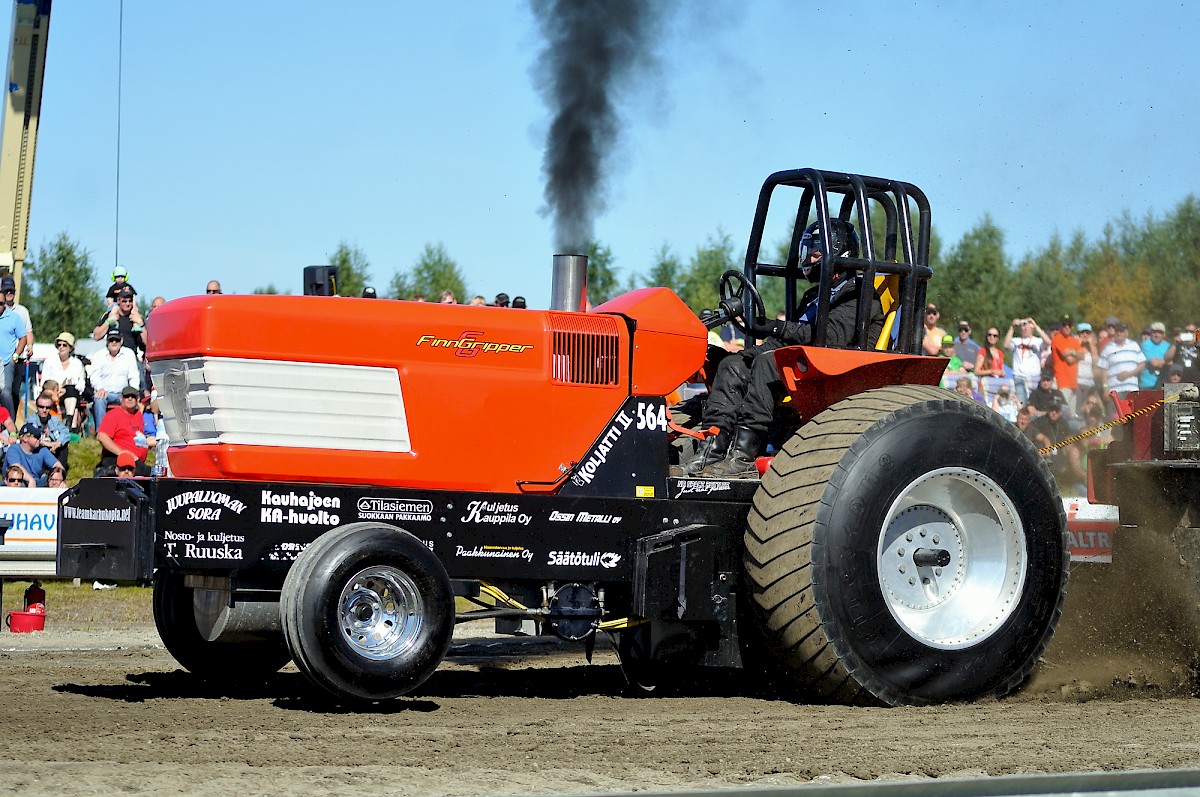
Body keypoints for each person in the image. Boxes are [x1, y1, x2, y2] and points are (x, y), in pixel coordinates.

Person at [683, 219, 884, 478]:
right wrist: (756, 330)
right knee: (733, 364)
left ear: (838, 253)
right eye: (807, 251)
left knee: (768, 362)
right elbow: (792, 337)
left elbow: (829, 337)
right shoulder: (814, 296)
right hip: (803, 360)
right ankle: (712, 449)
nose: (808, 259)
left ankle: (744, 454)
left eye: (815, 252)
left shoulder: (859, 296)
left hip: (838, 367)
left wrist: (775, 328)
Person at [88, 329, 140, 429]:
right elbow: (94, 376)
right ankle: (102, 431)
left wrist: (133, 392)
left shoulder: (129, 354)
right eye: (111, 340)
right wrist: (100, 388)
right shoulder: (99, 355)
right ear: (107, 342)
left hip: (123, 393)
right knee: (99, 398)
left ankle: (130, 429)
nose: (114, 342)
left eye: (117, 340)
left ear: (121, 341)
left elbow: (133, 376)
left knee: (132, 399)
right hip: (105, 393)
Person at [96, 385, 151, 474]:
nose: (130, 399)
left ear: (137, 399)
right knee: (149, 474)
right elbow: (101, 436)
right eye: (126, 396)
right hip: (118, 460)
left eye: (133, 397)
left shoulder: (139, 415)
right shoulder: (113, 414)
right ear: (121, 398)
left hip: (137, 462)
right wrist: (122, 453)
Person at [39, 331, 88, 431]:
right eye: (59, 344)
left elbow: (81, 385)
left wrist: (68, 386)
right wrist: (57, 390)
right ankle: (70, 424)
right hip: (52, 393)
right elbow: (44, 383)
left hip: (71, 394)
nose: (61, 347)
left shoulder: (77, 363)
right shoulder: (50, 362)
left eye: (64, 345)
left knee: (71, 390)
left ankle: (69, 422)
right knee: (69, 391)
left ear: (70, 348)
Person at [1, 275, 34, 414]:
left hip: (11, 360)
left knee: (9, 392)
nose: (9, 293)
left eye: (11, 290)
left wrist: (27, 349)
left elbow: (26, 334)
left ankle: (11, 422)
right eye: (6, 290)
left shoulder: (20, 313)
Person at [1097, 321, 1145, 400]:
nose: (1119, 333)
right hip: (1114, 391)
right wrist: (1105, 388)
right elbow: (1103, 371)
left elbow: (1142, 364)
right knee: (1115, 413)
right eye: (1117, 331)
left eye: (1121, 331)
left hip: (1132, 389)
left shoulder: (1134, 345)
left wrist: (1129, 374)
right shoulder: (1108, 348)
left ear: (1126, 333)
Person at [1003, 316, 1046, 403]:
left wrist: (1036, 326)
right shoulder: (1016, 340)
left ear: (1032, 327)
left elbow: (1049, 342)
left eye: (1027, 325)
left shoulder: (1038, 341)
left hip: (1035, 377)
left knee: (1035, 404)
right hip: (1019, 377)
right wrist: (1012, 328)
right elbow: (1006, 345)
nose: (1025, 328)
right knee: (1022, 403)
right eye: (1023, 326)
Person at [93, 285, 145, 356]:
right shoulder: (110, 315)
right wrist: (108, 321)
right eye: (124, 301)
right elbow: (96, 336)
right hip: (112, 357)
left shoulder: (136, 317)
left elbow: (147, 343)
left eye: (130, 301)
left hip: (130, 357)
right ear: (118, 300)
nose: (128, 304)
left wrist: (141, 325)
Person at [3, 422, 61, 486]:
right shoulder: (14, 449)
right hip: (17, 482)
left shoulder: (42, 450)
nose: (39, 439)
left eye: (40, 435)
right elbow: (16, 467)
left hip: (36, 482)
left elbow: (58, 466)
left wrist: (60, 479)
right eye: (36, 436)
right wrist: (30, 480)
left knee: (52, 479)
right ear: (25, 438)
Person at [27, 391, 70, 469]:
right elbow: (30, 438)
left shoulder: (54, 419)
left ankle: (60, 472)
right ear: (36, 407)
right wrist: (48, 444)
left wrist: (58, 443)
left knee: (64, 445)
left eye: (47, 407)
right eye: (41, 407)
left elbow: (66, 433)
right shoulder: (31, 420)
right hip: (38, 451)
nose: (44, 410)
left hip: (53, 448)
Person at [1049, 315, 1081, 415]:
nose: (1067, 327)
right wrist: (1076, 353)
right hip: (1062, 382)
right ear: (1060, 326)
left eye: (1069, 324)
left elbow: (1083, 355)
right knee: (1063, 413)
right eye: (1064, 324)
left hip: (1073, 383)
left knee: (1072, 415)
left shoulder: (1073, 340)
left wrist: (1072, 352)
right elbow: (1068, 359)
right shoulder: (1057, 338)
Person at [974, 326, 1012, 404]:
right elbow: (976, 371)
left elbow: (1000, 369)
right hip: (985, 384)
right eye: (990, 335)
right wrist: (992, 371)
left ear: (998, 338)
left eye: (995, 336)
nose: (992, 337)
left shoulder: (1000, 353)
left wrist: (1002, 372)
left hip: (997, 383)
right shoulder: (983, 351)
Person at [1074, 322, 1099, 412]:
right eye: (1082, 333)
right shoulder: (1074, 346)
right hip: (1077, 382)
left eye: (1087, 333)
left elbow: (1096, 362)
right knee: (1078, 408)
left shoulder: (1093, 348)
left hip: (1089, 383)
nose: (1085, 335)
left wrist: (1092, 345)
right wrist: (1077, 345)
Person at [1140, 321, 1171, 389]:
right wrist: (1166, 361)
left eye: (1159, 332)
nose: (1156, 335)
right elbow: (1154, 363)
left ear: (1164, 335)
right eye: (1154, 332)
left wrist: (1161, 362)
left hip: (1164, 383)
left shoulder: (1167, 345)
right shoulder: (1145, 344)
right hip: (1148, 384)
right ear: (1151, 333)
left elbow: (1172, 362)